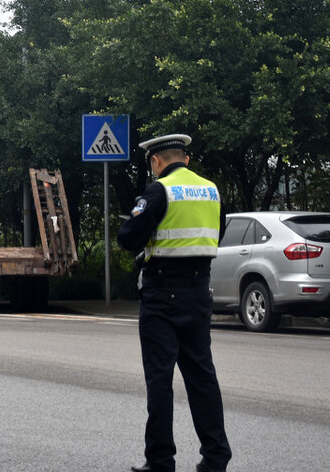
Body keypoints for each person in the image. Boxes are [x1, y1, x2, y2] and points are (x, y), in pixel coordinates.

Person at [117, 134, 232, 472]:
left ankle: (161, 461)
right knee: (202, 378)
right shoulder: (211, 191)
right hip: (198, 293)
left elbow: (127, 238)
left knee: (160, 381)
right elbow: (216, 233)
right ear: (187, 159)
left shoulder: (159, 191)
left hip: (161, 296)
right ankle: (215, 458)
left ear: (156, 162)